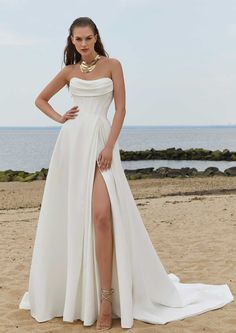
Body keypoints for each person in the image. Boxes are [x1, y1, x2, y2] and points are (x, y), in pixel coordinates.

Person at [19, 16, 234, 331]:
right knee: (78, 218)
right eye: (78, 40)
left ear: (96, 38)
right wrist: (60, 118)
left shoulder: (113, 65)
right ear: (71, 41)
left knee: (103, 216)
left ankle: (106, 298)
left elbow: (120, 109)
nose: (83, 44)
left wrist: (109, 146)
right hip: (72, 144)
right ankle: (84, 294)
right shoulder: (68, 72)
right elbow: (40, 100)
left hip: (101, 142)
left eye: (88, 38)